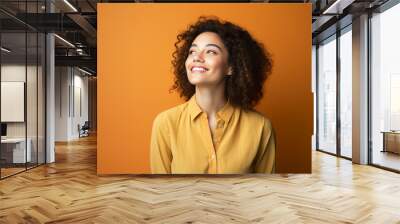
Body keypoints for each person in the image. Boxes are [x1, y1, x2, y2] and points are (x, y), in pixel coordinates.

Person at [150, 16, 275, 174]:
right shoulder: (165, 124)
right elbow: (162, 192)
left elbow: (264, 192)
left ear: (231, 67)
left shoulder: (260, 127)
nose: (197, 57)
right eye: (192, 51)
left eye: (210, 51)